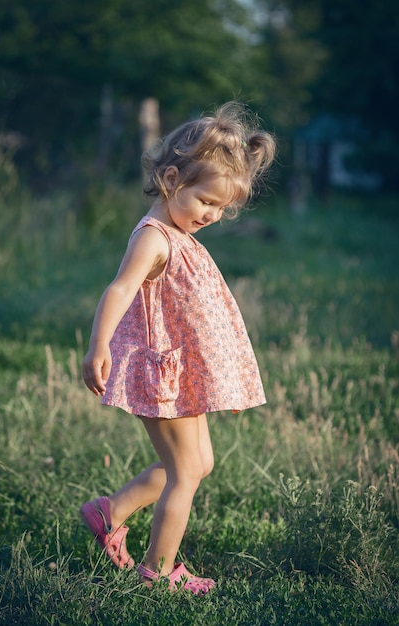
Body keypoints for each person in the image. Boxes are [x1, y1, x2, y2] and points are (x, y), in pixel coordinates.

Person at [80, 102, 276, 595]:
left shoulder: (179, 231)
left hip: (178, 372)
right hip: (160, 372)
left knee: (195, 464)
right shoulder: (153, 237)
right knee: (185, 474)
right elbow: (120, 289)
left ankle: (111, 511)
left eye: (221, 208)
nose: (213, 215)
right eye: (206, 201)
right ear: (171, 179)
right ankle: (158, 572)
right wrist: (97, 345)